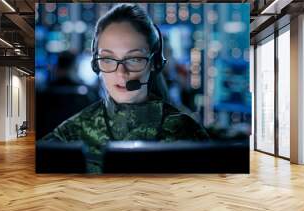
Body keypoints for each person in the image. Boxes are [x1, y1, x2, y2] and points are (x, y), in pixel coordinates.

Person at [43, 4, 209, 173]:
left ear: (155, 63)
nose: (121, 73)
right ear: (95, 64)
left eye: (134, 59)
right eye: (108, 59)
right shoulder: (69, 134)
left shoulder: (185, 131)